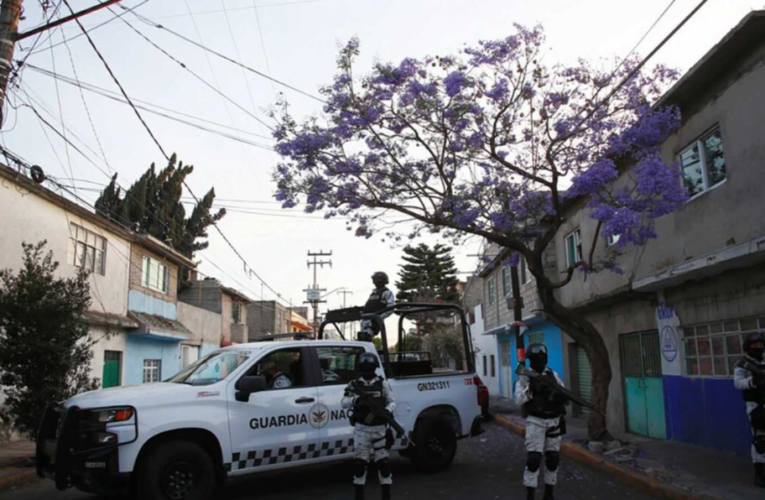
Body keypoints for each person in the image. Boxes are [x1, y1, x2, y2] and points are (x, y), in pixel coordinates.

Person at [515, 343, 567, 500]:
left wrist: (558, 396)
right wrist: (532, 389)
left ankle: (549, 494)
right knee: (534, 459)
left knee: (553, 458)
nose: (540, 360)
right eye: (537, 357)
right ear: (531, 359)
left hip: (554, 421)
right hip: (536, 421)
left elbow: (563, 392)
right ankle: (530, 495)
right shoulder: (525, 376)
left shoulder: (552, 375)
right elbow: (518, 399)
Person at [342, 352, 396, 500]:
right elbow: (343, 402)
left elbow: (392, 402)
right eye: (365, 367)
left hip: (379, 430)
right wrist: (355, 401)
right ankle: (359, 496)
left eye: (370, 367)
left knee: (383, 464)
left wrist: (387, 411)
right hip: (362, 430)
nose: (368, 370)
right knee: (360, 464)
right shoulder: (354, 385)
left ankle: (386, 495)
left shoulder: (383, 384)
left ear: (375, 368)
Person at [734, 332, 765, 488]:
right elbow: (738, 383)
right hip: (755, 405)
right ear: (748, 347)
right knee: (760, 439)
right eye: (755, 346)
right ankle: (759, 474)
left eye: (760, 345)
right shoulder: (743, 364)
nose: (758, 348)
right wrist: (753, 382)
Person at [359, 272, 395, 342]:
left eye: (376, 279)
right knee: (362, 339)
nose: (374, 281)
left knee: (367, 338)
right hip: (366, 320)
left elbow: (390, 309)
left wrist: (378, 317)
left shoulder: (387, 293)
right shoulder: (374, 292)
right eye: (374, 279)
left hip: (374, 322)